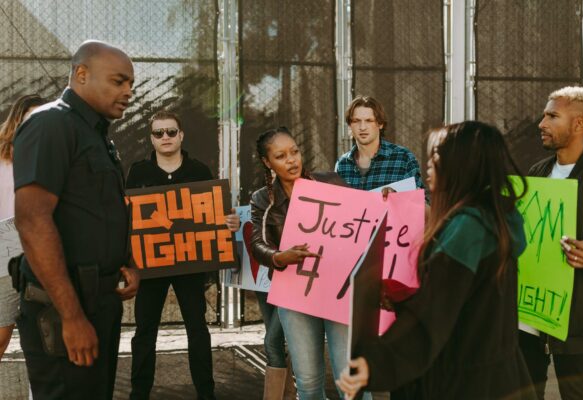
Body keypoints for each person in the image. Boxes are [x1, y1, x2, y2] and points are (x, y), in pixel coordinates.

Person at [337, 121, 535, 399]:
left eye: (438, 154)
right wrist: (404, 295)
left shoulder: (470, 228)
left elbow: (433, 313)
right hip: (496, 374)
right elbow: (466, 300)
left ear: (462, 164)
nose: (429, 162)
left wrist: (377, 363)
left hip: (464, 382)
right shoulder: (494, 216)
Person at [13, 40, 139, 399]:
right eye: (118, 81)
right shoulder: (50, 125)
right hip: (63, 308)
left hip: (99, 302)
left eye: (131, 83)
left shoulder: (96, 135)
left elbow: (96, 211)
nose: (128, 92)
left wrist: (125, 262)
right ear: (81, 74)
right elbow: (33, 221)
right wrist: (70, 316)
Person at [250, 127, 372, 400]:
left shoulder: (330, 182)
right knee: (307, 382)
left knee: (350, 381)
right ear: (267, 162)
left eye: (295, 151)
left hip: (338, 289)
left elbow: (361, 220)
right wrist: (279, 257)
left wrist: (383, 199)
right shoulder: (262, 199)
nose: (292, 160)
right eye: (281, 156)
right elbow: (257, 244)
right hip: (294, 293)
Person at [126, 110, 240, 400]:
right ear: (151, 138)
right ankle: (139, 394)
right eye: (159, 132)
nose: (165, 137)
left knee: (197, 327)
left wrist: (229, 222)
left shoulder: (199, 171)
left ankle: (206, 392)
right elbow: (128, 218)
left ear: (181, 136)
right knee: (144, 330)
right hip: (151, 265)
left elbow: (215, 214)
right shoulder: (138, 172)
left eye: (171, 132)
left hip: (190, 263)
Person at [519, 86, 583, 400]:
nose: (541, 123)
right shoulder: (536, 174)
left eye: (552, 115)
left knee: (576, 394)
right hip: (528, 311)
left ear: (579, 124)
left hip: (577, 315)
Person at [0, 94, 45, 361]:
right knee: (2, 337)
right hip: (5, 254)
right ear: (17, 118)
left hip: (43, 252)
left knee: (43, 339)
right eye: (30, 117)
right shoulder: (2, 155)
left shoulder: (53, 155)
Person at [335, 96, 427, 193]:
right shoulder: (342, 164)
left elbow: (422, 204)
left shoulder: (403, 159)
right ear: (350, 125)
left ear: (380, 124)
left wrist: (397, 198)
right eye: (356, 121)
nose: (362, 127)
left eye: (369, 121)